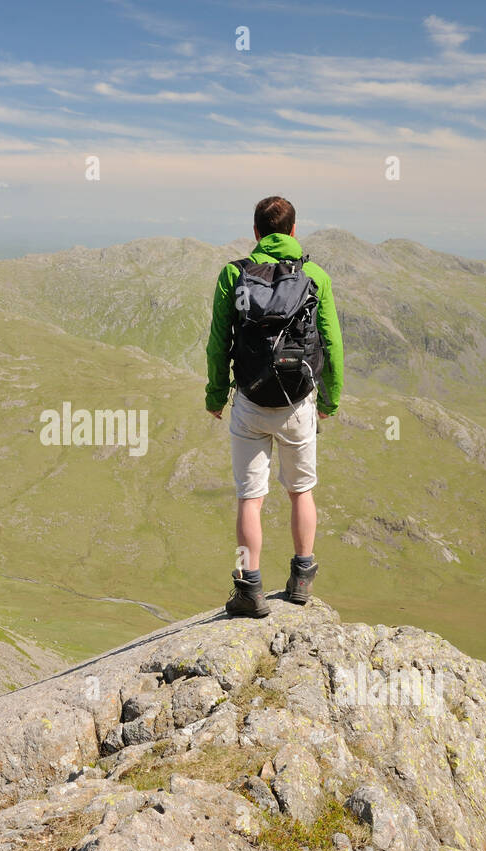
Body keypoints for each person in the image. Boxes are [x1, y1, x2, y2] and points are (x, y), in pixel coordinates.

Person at [204, 196, 344, 617]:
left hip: (249, 400)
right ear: (294, 231)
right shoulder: (315, 275)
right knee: (301, 490)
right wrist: (330, 399)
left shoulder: (234, 274)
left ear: (256, 232)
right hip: (298, 402)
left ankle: (250, 589)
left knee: (251, 498)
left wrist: (215, 395)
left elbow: (218, 343)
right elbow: (332, 344)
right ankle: (302, 581)